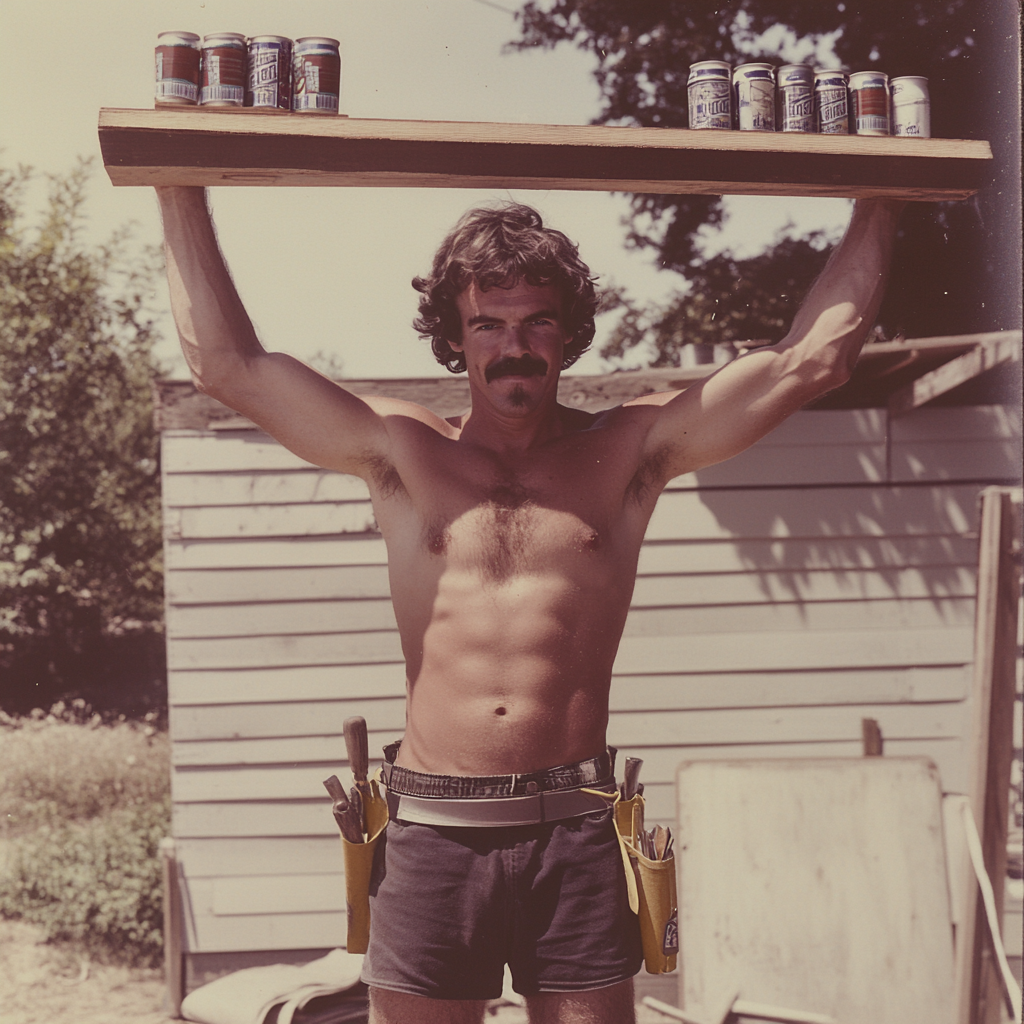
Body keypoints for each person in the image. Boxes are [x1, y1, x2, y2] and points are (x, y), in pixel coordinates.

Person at [156, 189, 903, 1024]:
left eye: (538, 323)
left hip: (575, 833)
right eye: (488, 325)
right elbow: (224, 366)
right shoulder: (400, 451)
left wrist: (882, 196)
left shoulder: (628, 453)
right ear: (453, 337)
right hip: (432, 833)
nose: (515, 348)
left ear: (569, 331)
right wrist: (178, 183)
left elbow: (814, 362)